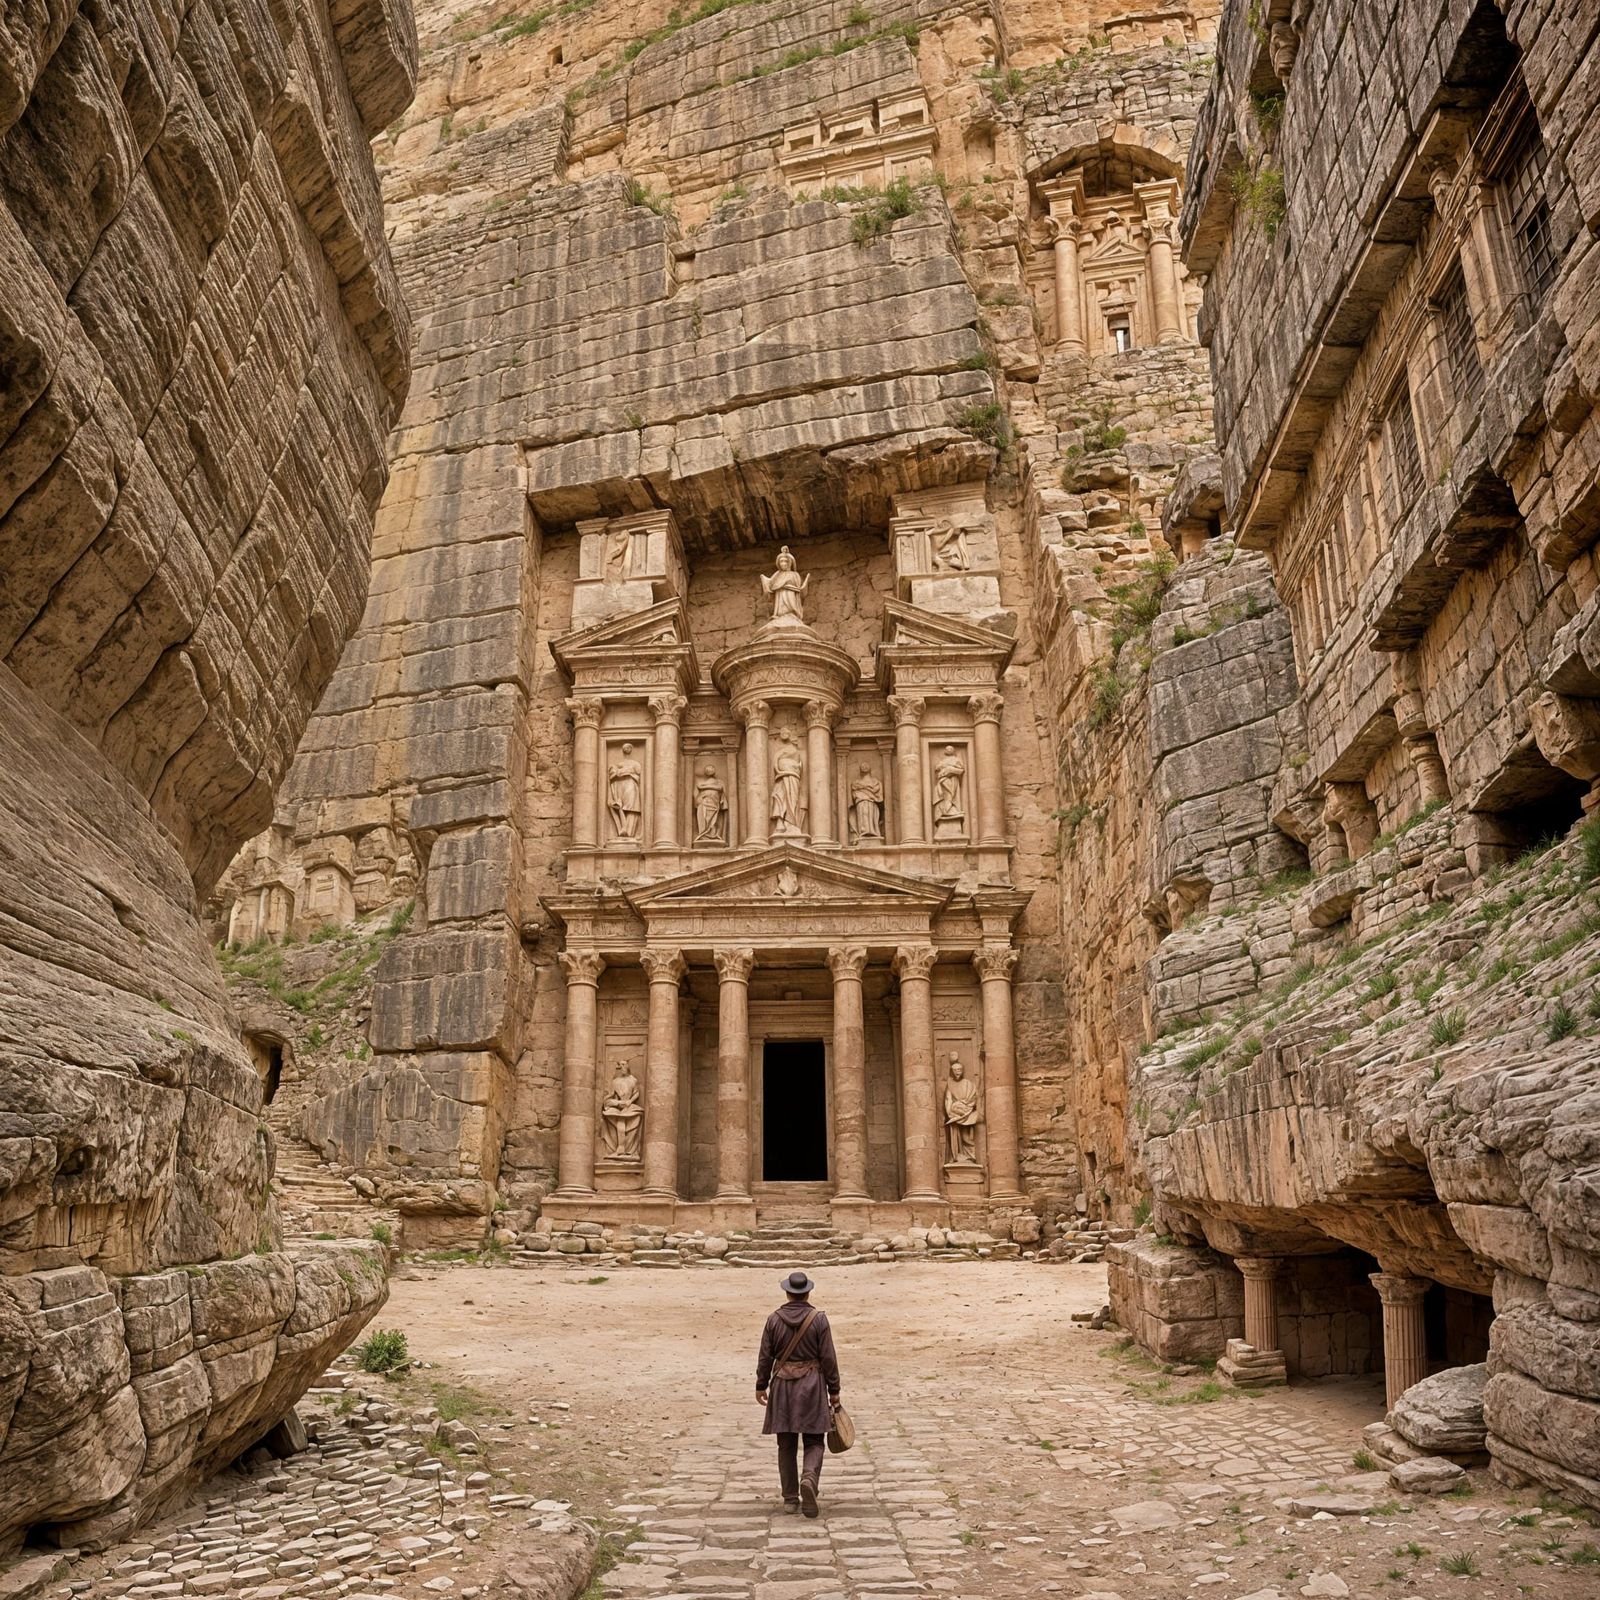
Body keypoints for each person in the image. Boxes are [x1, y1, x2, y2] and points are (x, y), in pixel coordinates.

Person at [755, 1270, 841, 1518]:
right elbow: (828, 1358)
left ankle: (791, 1498)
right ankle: (809, 1478)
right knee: (814, 1440)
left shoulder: (773, 1320)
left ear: (787, 1292)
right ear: (808, 1292)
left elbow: (765, 1356)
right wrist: (834, 1390)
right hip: (812, 1383)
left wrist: (761, 1385)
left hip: (782, 1385)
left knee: (786, 1443)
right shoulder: (819, 1320)